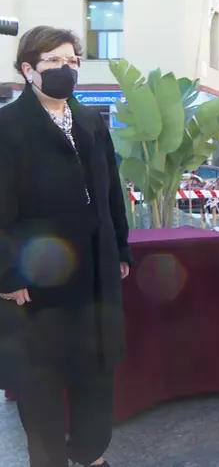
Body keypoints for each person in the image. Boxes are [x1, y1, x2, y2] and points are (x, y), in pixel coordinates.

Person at [0, 26, 132, 467]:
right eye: (53, 61)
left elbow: (112, 193)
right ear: (28, 69)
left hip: (93, 273)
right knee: (39, 384)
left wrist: (121, 250)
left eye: (73, 61)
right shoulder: (7, 126)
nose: (66, 69)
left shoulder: (92, 122)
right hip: (34, 281)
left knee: (95, 373)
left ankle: (89, 454)